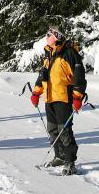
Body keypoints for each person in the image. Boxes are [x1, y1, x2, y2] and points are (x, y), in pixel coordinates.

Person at [30, 26, 87, 175]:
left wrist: (77, 97)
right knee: (52, 129)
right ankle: (60, 156)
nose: (47, 36)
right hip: (50, 98)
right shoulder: (49, 53)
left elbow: (79, 78)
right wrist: (36, 93)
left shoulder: (69, 54)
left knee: (64, 130)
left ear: (57, 36)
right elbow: (43, 76)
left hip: (63, 98)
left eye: (49, 34)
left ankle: (70, 162)